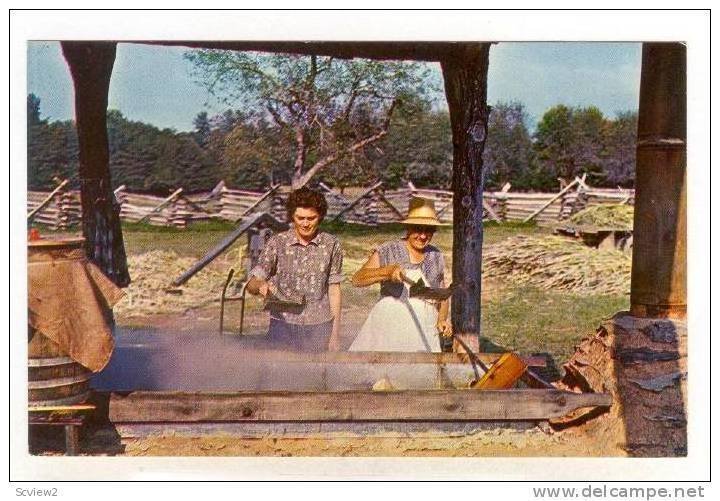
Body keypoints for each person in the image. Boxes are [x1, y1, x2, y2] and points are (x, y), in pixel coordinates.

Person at [348, 197, 451, 352]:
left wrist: (442, 319)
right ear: (408, 228)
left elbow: (442, 295)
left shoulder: (435, 255)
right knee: (386, 371)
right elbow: (357, 279)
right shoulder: (389, 250)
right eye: (418, 229)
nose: (423, 236)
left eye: (428, 231)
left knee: (421, 371)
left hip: (425, 325)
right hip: (392, 324)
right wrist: (387, 272)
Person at [246, 187, 343, 351]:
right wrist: (260, 286)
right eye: (300, 218)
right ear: (292, 216)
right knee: (282, 373)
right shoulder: (277, 243)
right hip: (283, 326)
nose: (305, 223)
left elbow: (334, 290)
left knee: (316, 374)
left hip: (319, 326)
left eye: (311, 218)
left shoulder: (331, 244)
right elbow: (252, 282)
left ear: (320, 217)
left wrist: (334, 335)